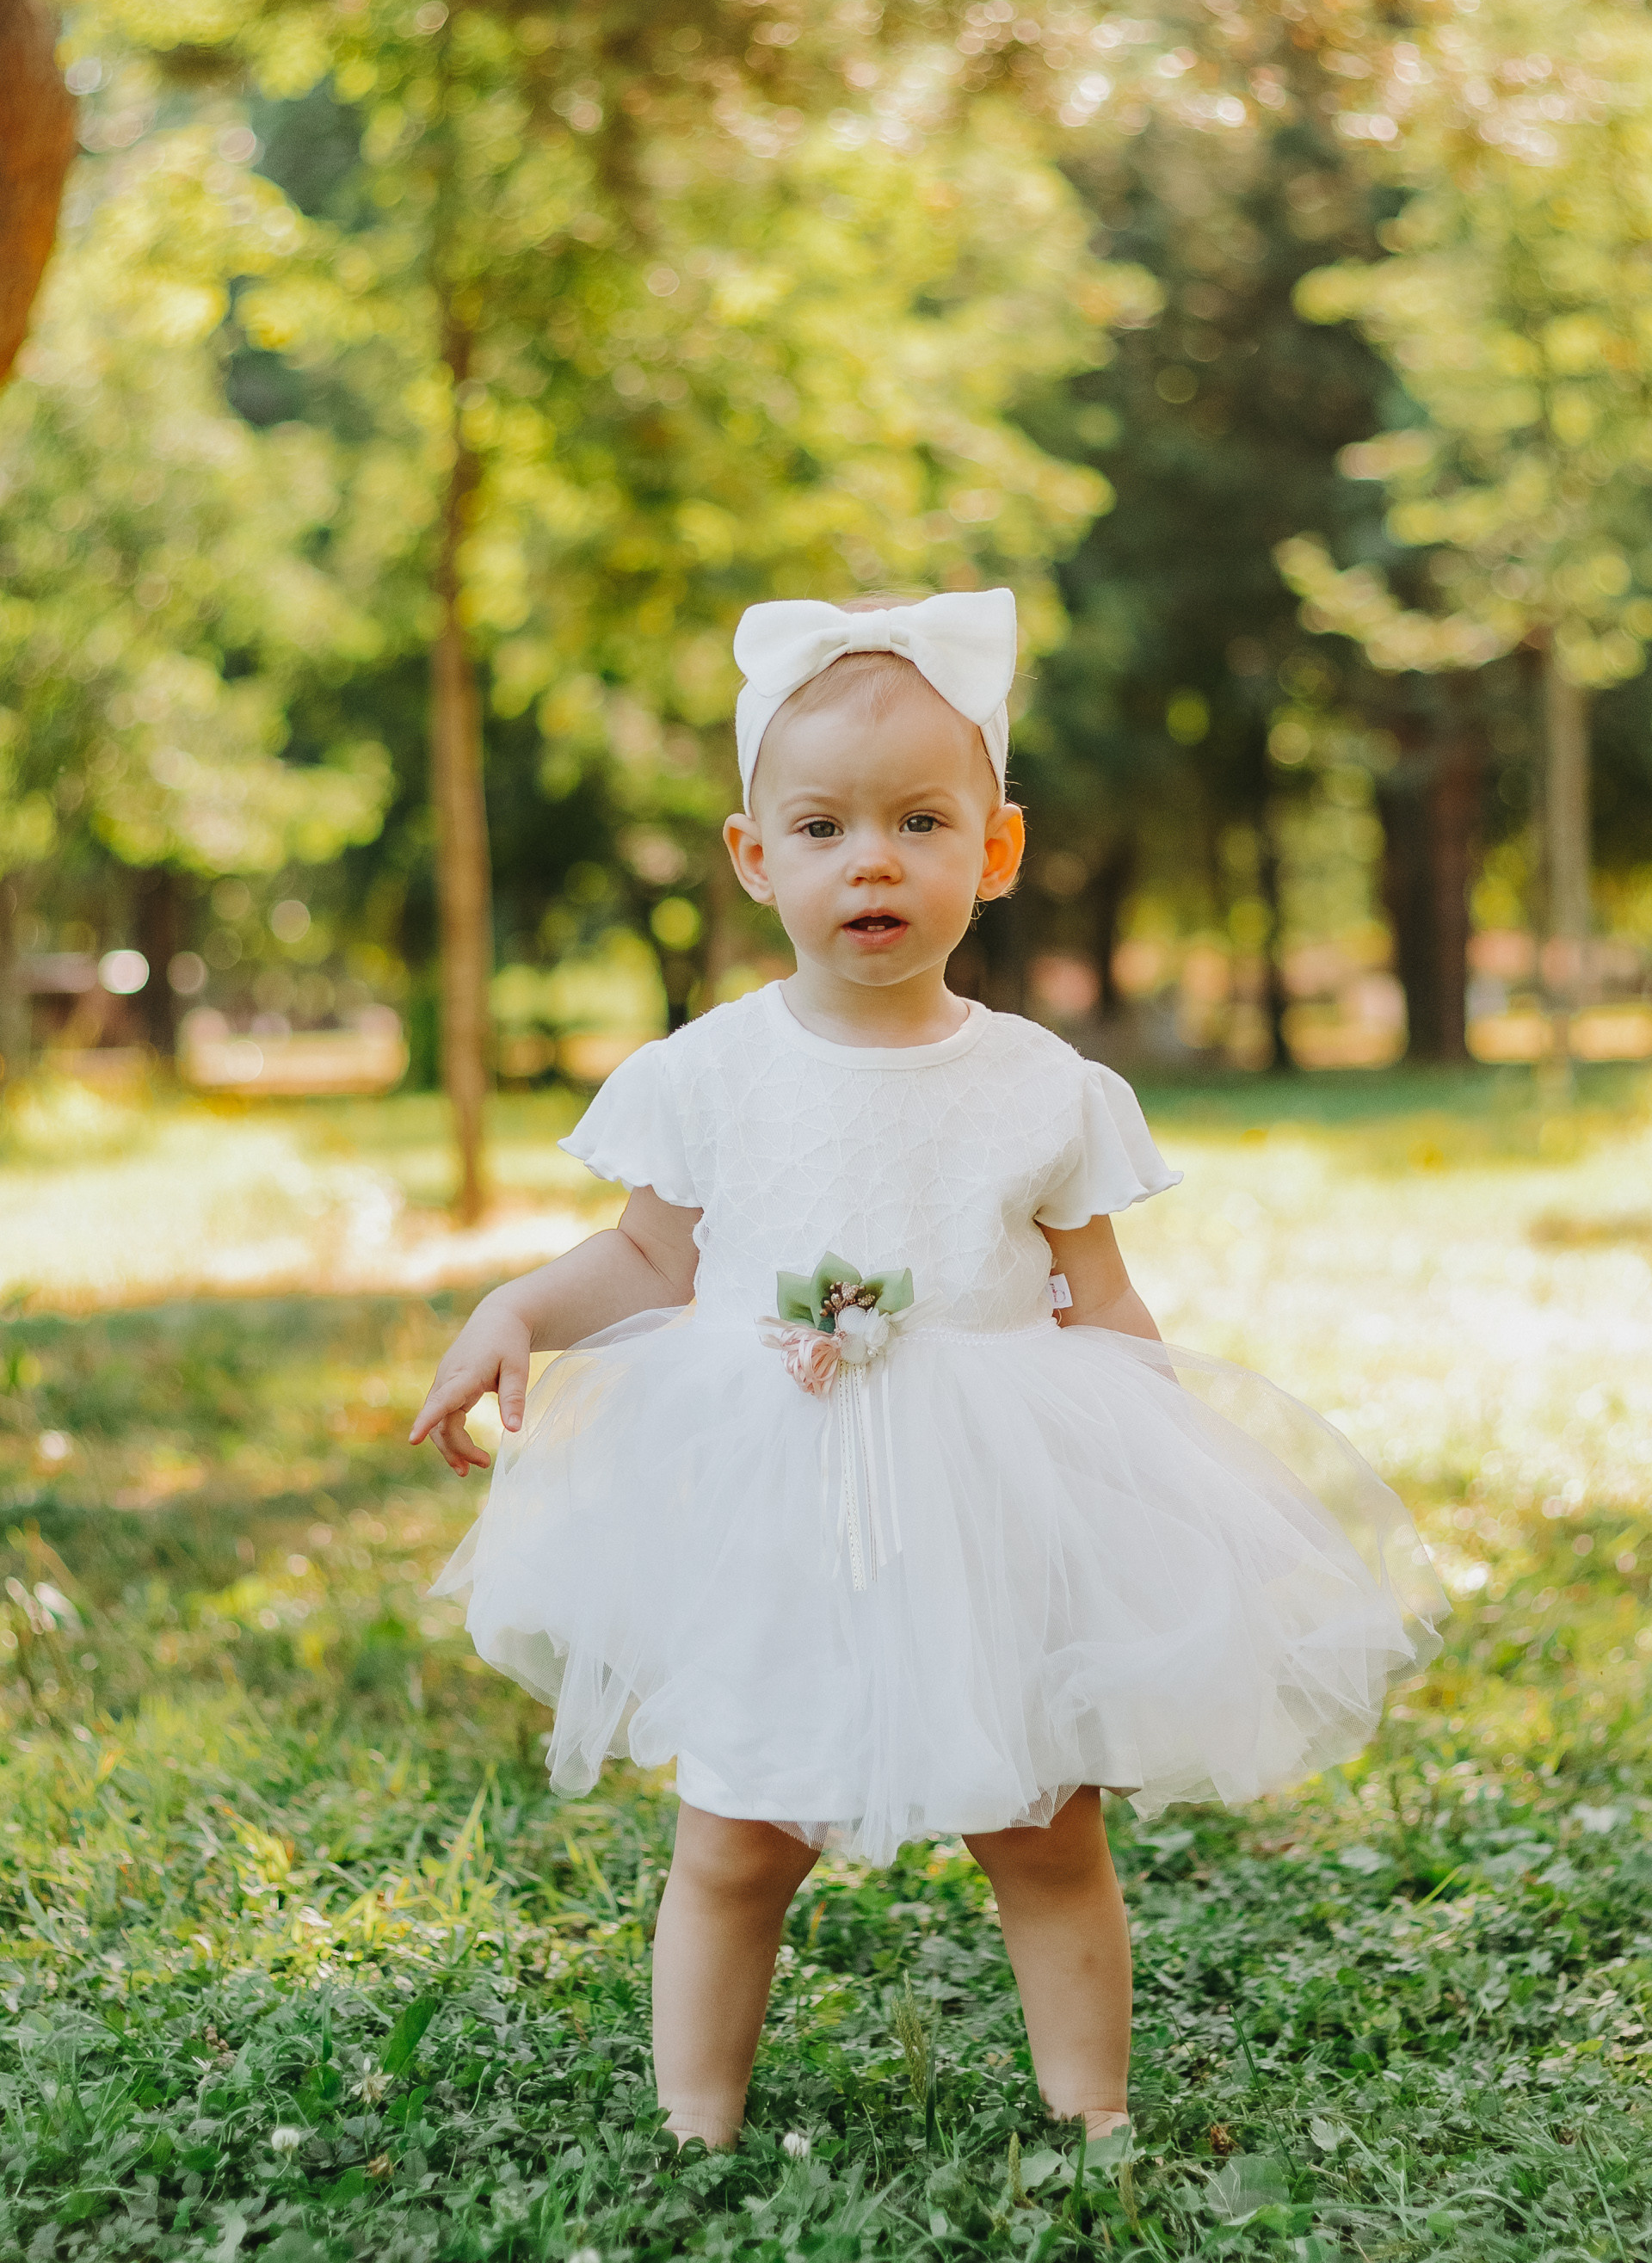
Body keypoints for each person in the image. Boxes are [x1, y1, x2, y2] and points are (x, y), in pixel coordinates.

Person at [410, 587, 1444, 2152]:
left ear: (996, 850)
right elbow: (648, 1261)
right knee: (738, 1840)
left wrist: (1162, 1493)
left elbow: (1105, 1304)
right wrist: (517, 1308)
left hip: (985, 1516)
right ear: (756, 858)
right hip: (771, 1510)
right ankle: (695, 2125)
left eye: (919, 822)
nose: (872, 862)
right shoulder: (711, 1073)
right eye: (822, 828)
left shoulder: (1041, 1087)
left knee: (1043, 1832)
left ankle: (1094, 2115)